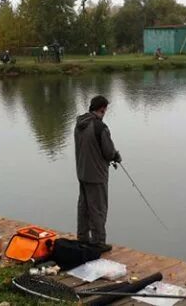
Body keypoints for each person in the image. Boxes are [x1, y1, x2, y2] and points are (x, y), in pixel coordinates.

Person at [74, 95, 122, 253]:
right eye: (105, 109)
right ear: (102, 108)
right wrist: (116, 156)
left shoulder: (79, 124)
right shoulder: (100, 127)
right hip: (96, 175)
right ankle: (98, 242)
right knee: (98, 208)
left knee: (84, 206)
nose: (105, 112)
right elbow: (108, 152)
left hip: (82, 173)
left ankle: (82, 238)